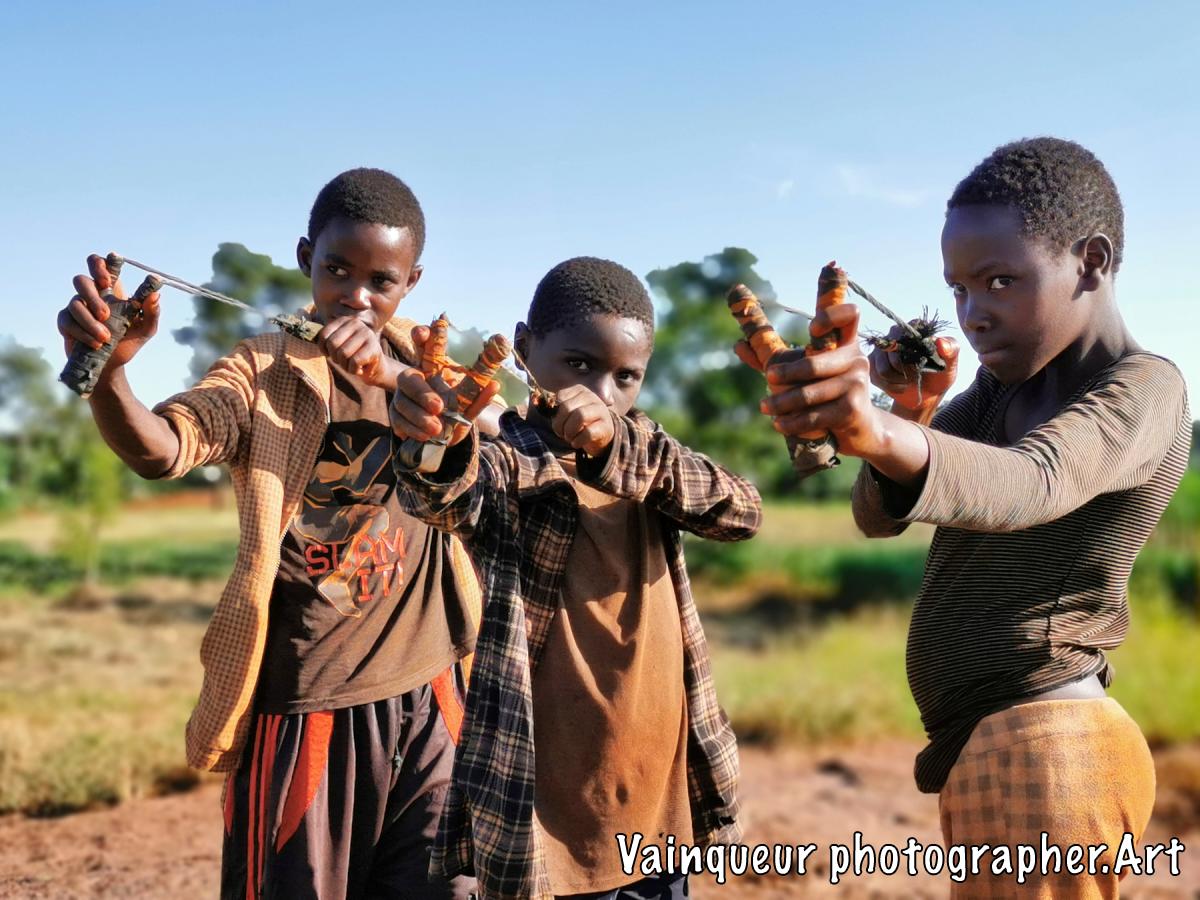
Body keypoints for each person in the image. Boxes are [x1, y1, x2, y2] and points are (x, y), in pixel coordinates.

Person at [752, 137, 1191, 897]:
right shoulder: (998, 396)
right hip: (998, 747)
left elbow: (1034, 481)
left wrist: (874, 428)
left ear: (1091, 262)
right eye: (957, 289)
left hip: (1051, 746)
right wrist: (908, 415)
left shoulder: (1143, 388)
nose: (972, 314)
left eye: (999, 282)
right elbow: (877, 517)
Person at [56, 168, 488, 899]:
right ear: (305, 259)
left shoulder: (431, 368)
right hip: (309, 704)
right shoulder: (262, 372)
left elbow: (496, 444)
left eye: (380, 282)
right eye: (337, 271)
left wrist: (393, 377)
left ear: (411, 283)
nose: (356, 296)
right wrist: (109, 375)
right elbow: (164, 448)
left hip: (434, 691)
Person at [389, 257, 761, 899]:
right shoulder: (508, 467)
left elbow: (741, 512)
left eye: (626, 376)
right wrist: (435, 446)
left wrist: (617, 449)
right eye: (579, 364)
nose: (602, 393)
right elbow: (444, 494)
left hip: (657, 812)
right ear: (525, 349)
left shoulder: (646, 458)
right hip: (550, 824)